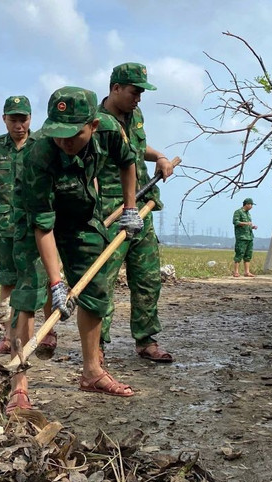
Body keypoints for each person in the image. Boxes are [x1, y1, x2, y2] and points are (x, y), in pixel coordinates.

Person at [7, 86, 142, 413]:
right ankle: (19, 386)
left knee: (95, 289)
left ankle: (92, 371)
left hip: (81, 214)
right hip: (35, 220)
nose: (65, 141)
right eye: (58, 133)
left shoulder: (110, 131)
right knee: (27, 295)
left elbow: (128, 163)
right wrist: (56, 282)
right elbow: (43, 226)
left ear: (93, 125)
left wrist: (130, 207)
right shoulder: (37, 153)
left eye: (74, 134)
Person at [97, 62, 174, 363]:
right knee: (102, 280)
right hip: (112, 211)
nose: (138, 98)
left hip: (143, 207)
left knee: (147, 278)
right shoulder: (97, 122)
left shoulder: (135, 115)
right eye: (134, 92)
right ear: (115, 89)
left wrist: (161, 157)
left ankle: (146, 341)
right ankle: (97, 347)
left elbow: (137, 149)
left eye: (141, 93)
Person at [0, 96, 57, 356]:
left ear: (31, 118)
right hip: (7, 225)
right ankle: (9, 336)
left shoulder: (42, 144)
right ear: (4, 119)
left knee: (42, 279)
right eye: (13, 119)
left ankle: (48, 332)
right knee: (8, 279)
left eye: (24, 119)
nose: (19, 125)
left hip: (36, 226)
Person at [232, 198, 258, 277]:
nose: (251, 206)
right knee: (239, 253)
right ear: (246, 204)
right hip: (241, 237)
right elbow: (235, 222)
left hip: (249, 237)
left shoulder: (248, 214)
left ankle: (247, 272)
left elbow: (248, 225)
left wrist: (252, 227)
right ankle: (236, 271)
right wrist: (246, 223)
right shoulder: (238, 212)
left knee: (248, 254)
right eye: (251, 204)